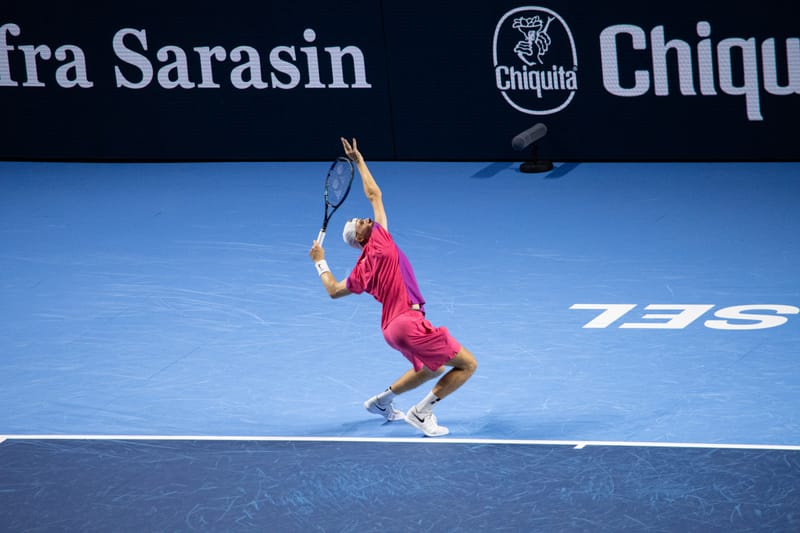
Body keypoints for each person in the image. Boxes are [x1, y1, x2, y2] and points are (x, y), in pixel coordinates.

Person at [309, 137, 478, 437]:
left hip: (391, 330)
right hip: (408, 323)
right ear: (361, 238)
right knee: (467, 365)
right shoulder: (379, 240)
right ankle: (421, 412)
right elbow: (375, 194)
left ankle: (381, 401)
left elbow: (333, 290)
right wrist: (360, 161)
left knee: (432, 368)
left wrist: (319, 261)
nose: (365, 219)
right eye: (360, 223)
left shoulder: (360, 271)